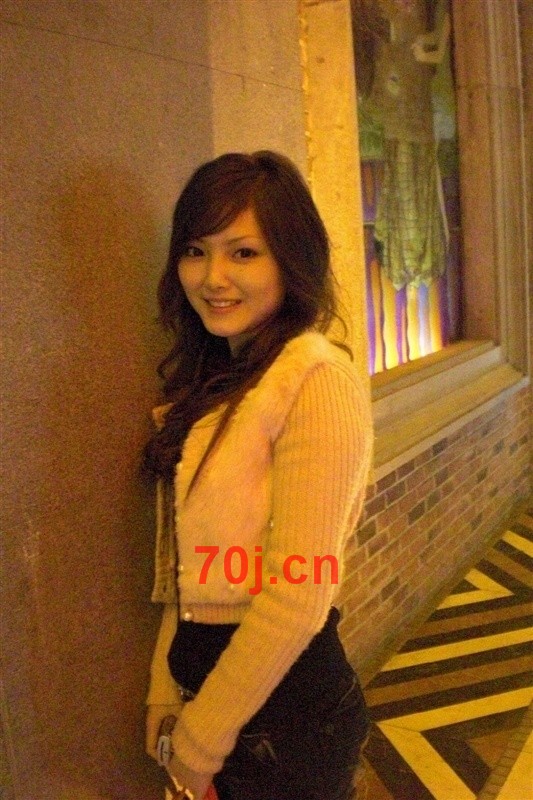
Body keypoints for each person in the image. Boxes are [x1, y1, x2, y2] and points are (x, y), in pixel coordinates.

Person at [143, 151, 373, 800]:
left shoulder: (314, 378)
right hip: (217, 699)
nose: (212, 277)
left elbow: (298, 597)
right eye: (195, 251)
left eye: (243, 253)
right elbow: (190, 567)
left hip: (287, 718)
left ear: (291, 260)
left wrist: (197, 745)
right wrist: (165, 692)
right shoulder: (225, 380)